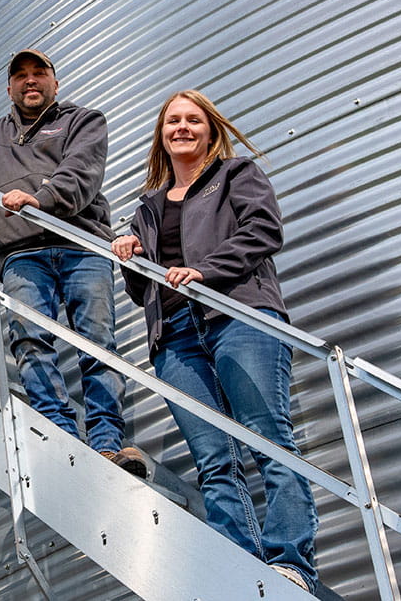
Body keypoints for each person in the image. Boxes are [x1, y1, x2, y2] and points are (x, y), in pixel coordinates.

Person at [110, 90, 318, 592]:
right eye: (172, 121)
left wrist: (204, 273)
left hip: (238, 316)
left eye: (192, 120)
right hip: (176, 338)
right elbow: (144, 292)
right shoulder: (149, 209)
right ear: (161, 135)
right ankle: (240, 573)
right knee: (214, 461)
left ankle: (290, 565)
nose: (182, 127)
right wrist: (129, 257)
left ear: (210, 129)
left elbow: (263, 231)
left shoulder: (235, 175)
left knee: (270, 442)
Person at [0, 49, 146, 478]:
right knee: (30, 341)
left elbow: (82, 174)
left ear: (55, 82)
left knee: (96, 344)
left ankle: (108, 445)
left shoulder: (82, 120)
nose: (30, 80)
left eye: (40, 72)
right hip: (21, 254)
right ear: (9, 88)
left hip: (81, 246)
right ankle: (60, 434)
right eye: (21, 75)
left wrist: (41, 199)